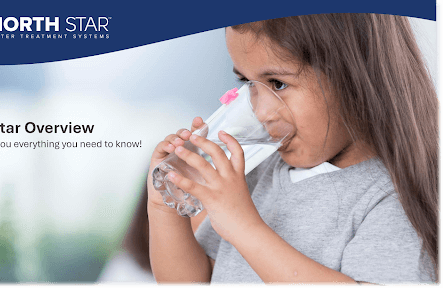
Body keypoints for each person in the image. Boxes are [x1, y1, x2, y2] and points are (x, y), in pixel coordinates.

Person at [147, 13, 440, 286]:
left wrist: (243, 226)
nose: (260, 111)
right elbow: (189, 281)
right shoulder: (259, 171)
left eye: (277, 83)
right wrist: (163, 205)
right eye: (246, 82)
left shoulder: (393, 196)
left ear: (354, 75)